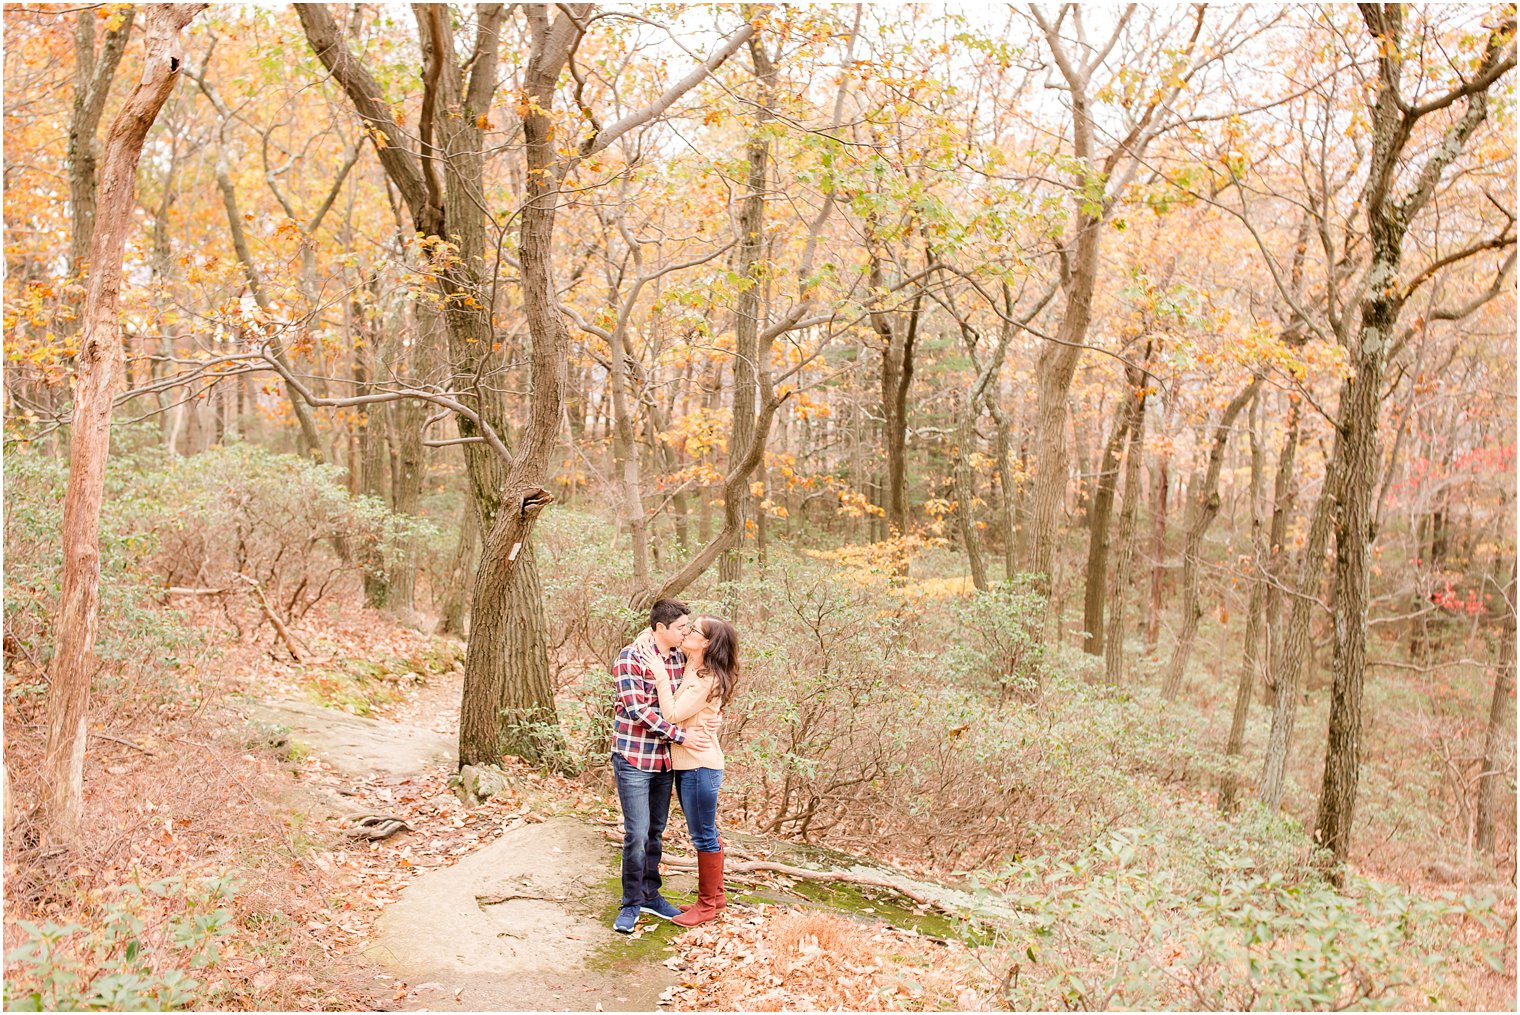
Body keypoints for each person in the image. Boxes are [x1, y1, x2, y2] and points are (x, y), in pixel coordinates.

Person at [609, 599, 714, 934]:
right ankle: (630, 904)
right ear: (660, 628)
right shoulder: (631, 657)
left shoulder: (677, 657)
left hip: (665, 760)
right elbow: (637, 710)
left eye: (688, 627)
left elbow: (705, 683)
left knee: (656, 832)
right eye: (681, 627)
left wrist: (714, 716)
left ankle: (650, 894)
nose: (687, 632)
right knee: (636, 833)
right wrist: (681, 735)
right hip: (634, 758)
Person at [636, 614, 739, 927]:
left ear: (706, 643)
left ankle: (706, 906)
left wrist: (660, 678)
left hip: (699, 766)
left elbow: (672, 713)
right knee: (707, 832)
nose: (687, 631)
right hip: (690, 763)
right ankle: (717, 896)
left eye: (693, 630)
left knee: (703, 835)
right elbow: (656, 631)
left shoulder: (707, 679)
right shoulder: (692, 663)